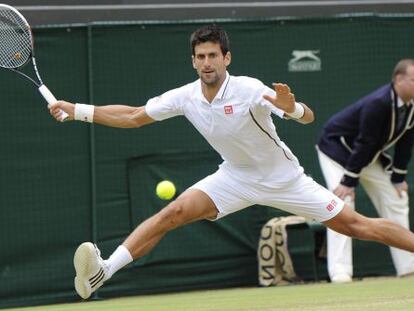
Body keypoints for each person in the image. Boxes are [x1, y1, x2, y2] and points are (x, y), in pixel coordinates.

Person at [49, 25, 414, 299]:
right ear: (193, 61)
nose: (207, 62)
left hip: (285, 179)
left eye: (213, 55)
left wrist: (293, 107)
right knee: (171, 214)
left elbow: (306, 116)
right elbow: (133, 116)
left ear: (227, 58)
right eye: (201, 56)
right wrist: (78, 110)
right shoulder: (185, 96)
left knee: (357, 225)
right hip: (234, 178)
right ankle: (104, 271)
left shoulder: (249, 89)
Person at [316, 59, 414, 283]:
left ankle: (409, 268)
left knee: (397, 197)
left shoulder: (411, 107)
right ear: (398, 80)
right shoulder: (378, 103)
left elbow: (407, 141)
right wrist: (348, 182)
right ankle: (340, 273)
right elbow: (366, 142)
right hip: (335, 150)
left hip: (365, 155)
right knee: (340, 206)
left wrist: (398, 177)